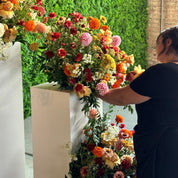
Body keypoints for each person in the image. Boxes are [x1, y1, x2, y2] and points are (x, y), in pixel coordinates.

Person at [98, 26, 178, 178]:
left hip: (160, 145)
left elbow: (122, 97)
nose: (156, 49)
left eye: (157, 44)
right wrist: (138, 83)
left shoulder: (163, 71)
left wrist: (96, 89)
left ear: (168, 42)